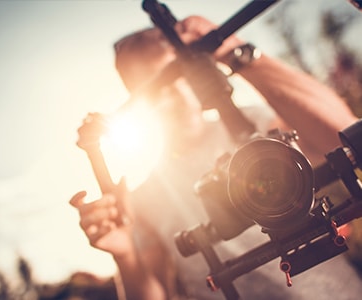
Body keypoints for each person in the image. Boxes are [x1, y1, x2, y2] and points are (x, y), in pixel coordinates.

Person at [70, 15, 361, 300]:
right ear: (138, 100)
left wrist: (236, 52)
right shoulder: (146, 200)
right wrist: (126, 256)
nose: (172, 95)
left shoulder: (259, 124)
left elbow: (348, 136)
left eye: (176, 74)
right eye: (155, 88)